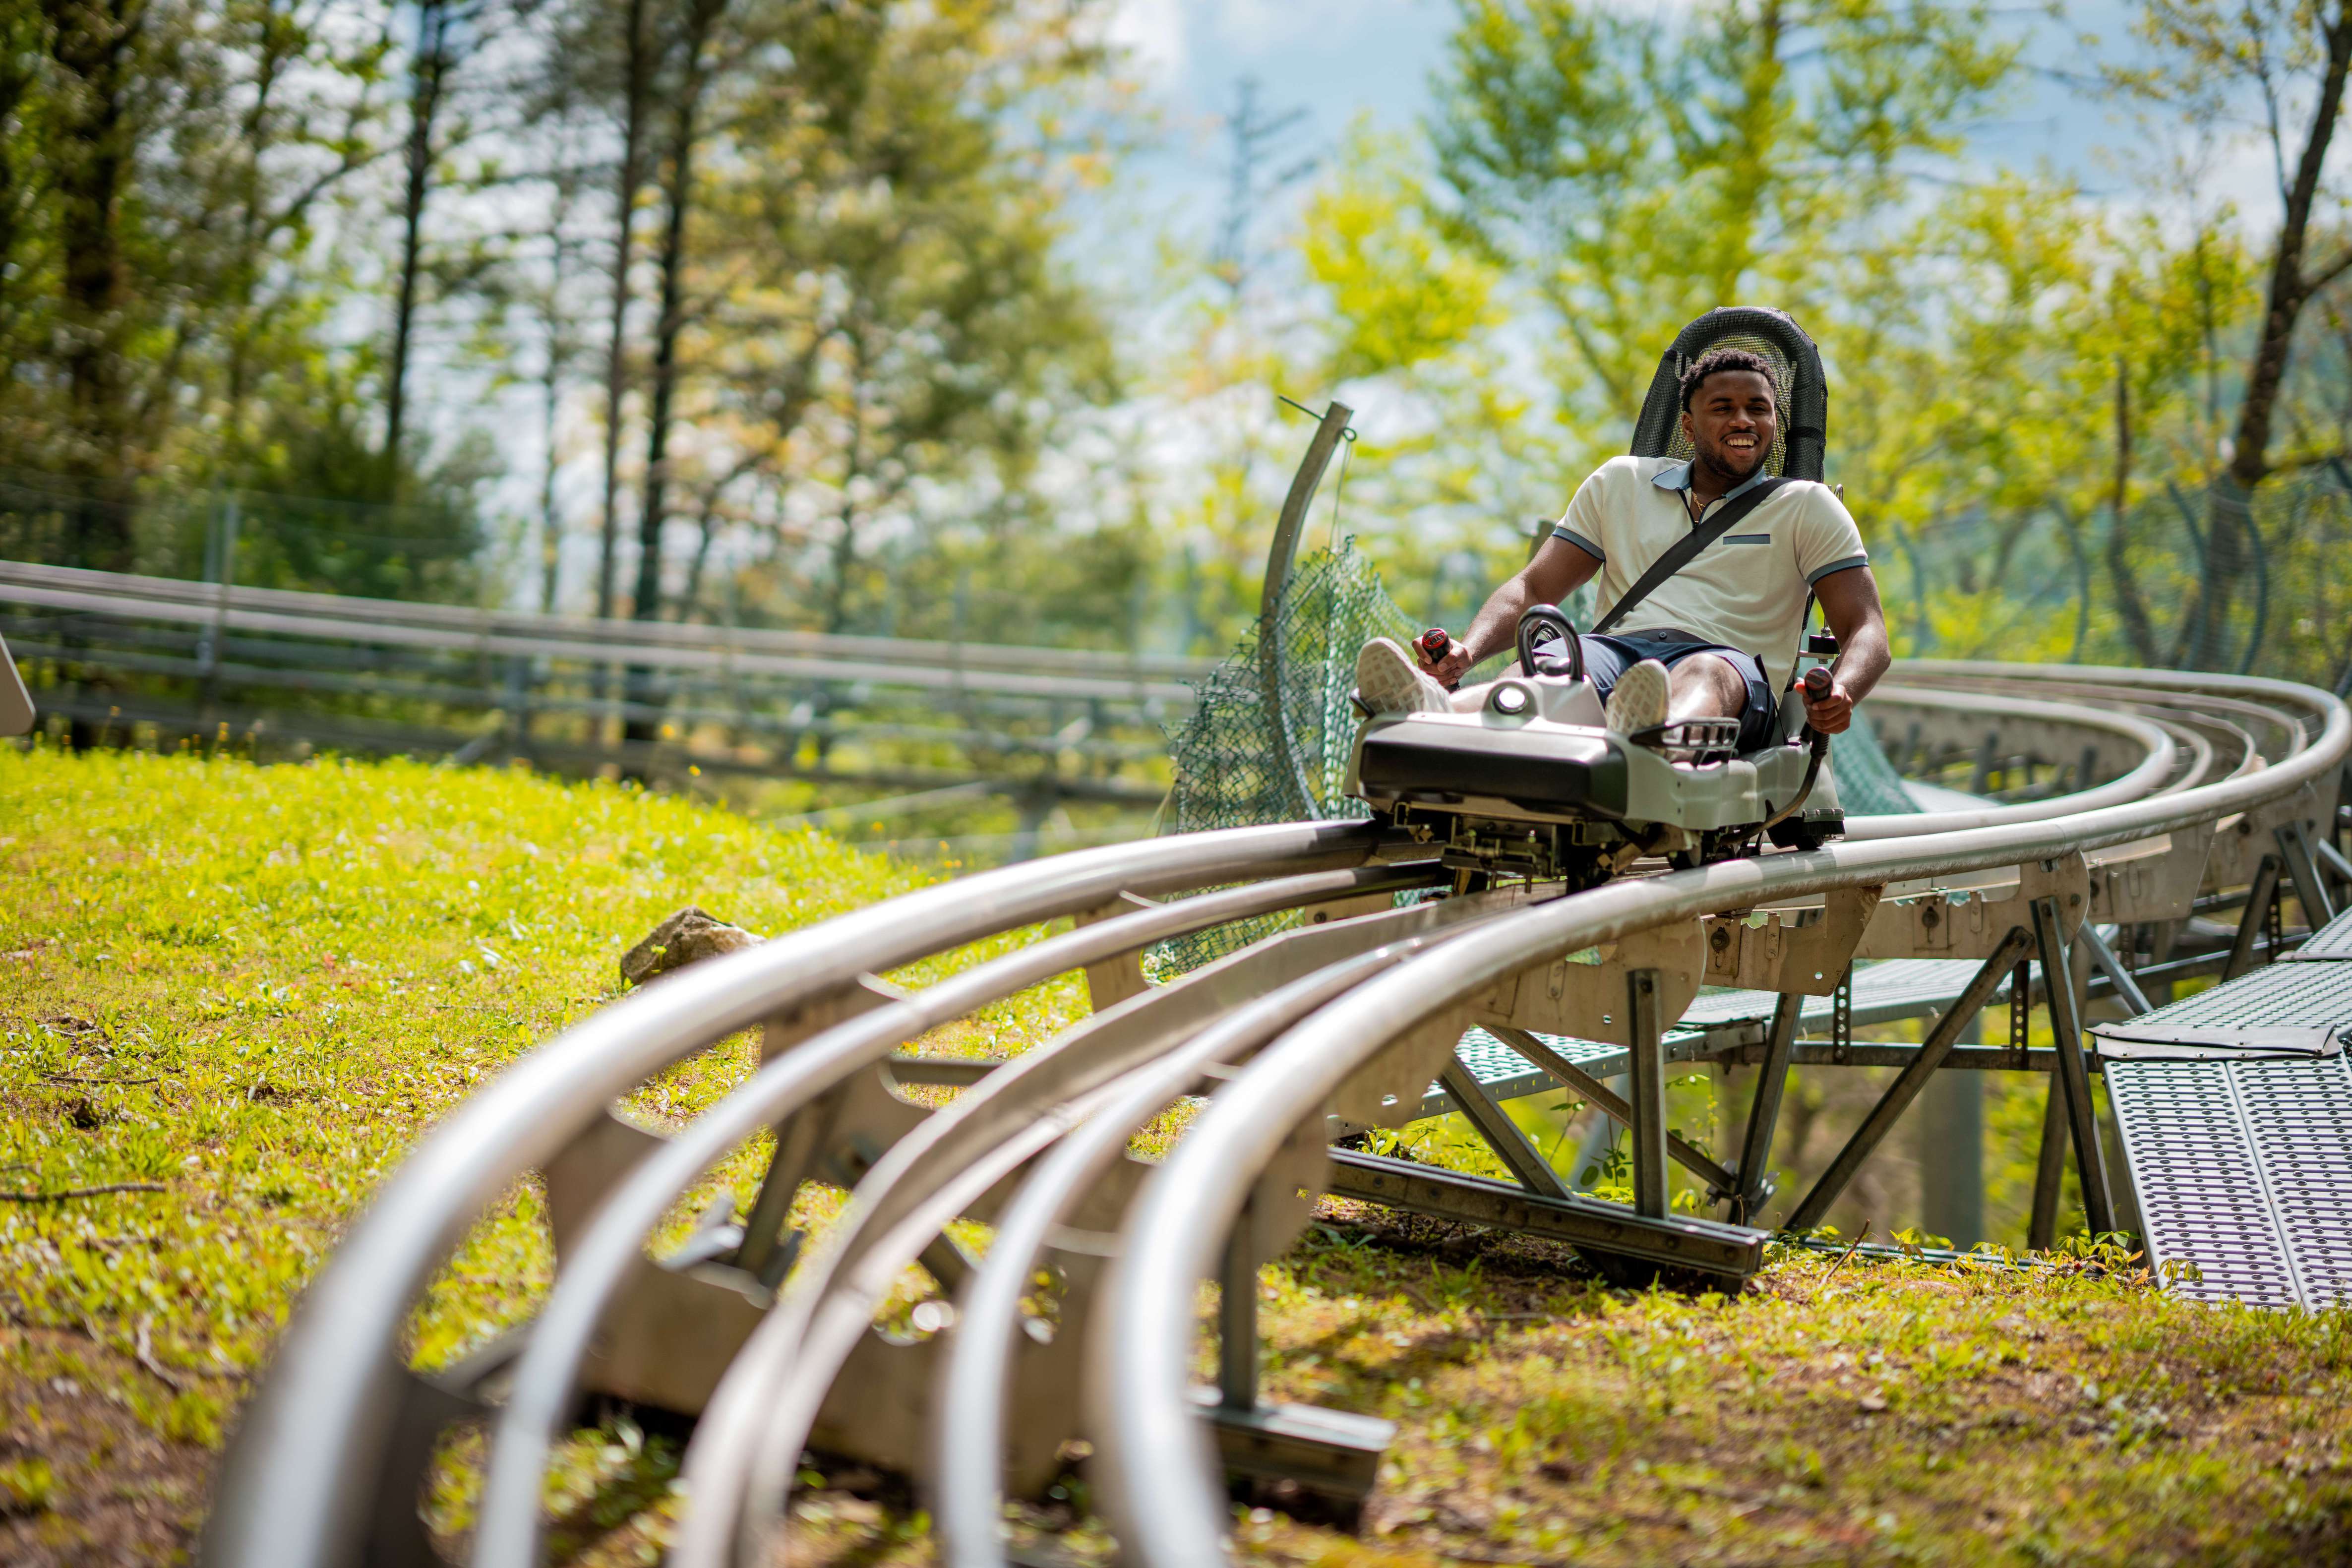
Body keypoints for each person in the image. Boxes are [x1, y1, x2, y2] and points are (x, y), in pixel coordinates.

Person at [1355, 345, 1889, 751]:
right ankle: (1434, 711)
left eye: (1758, 408)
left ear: (1774, 422)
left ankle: (1653, 742)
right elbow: (1534, 588)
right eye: (1722, 408)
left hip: (1730, 667)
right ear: (1688, 426)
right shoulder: (1620, 483)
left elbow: (1867, 630)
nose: (1743, 420)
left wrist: (1842, 690)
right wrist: (1466, 653)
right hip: (1618, 652)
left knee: (1704, 673)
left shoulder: (1806, 505)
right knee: (1551, 665)